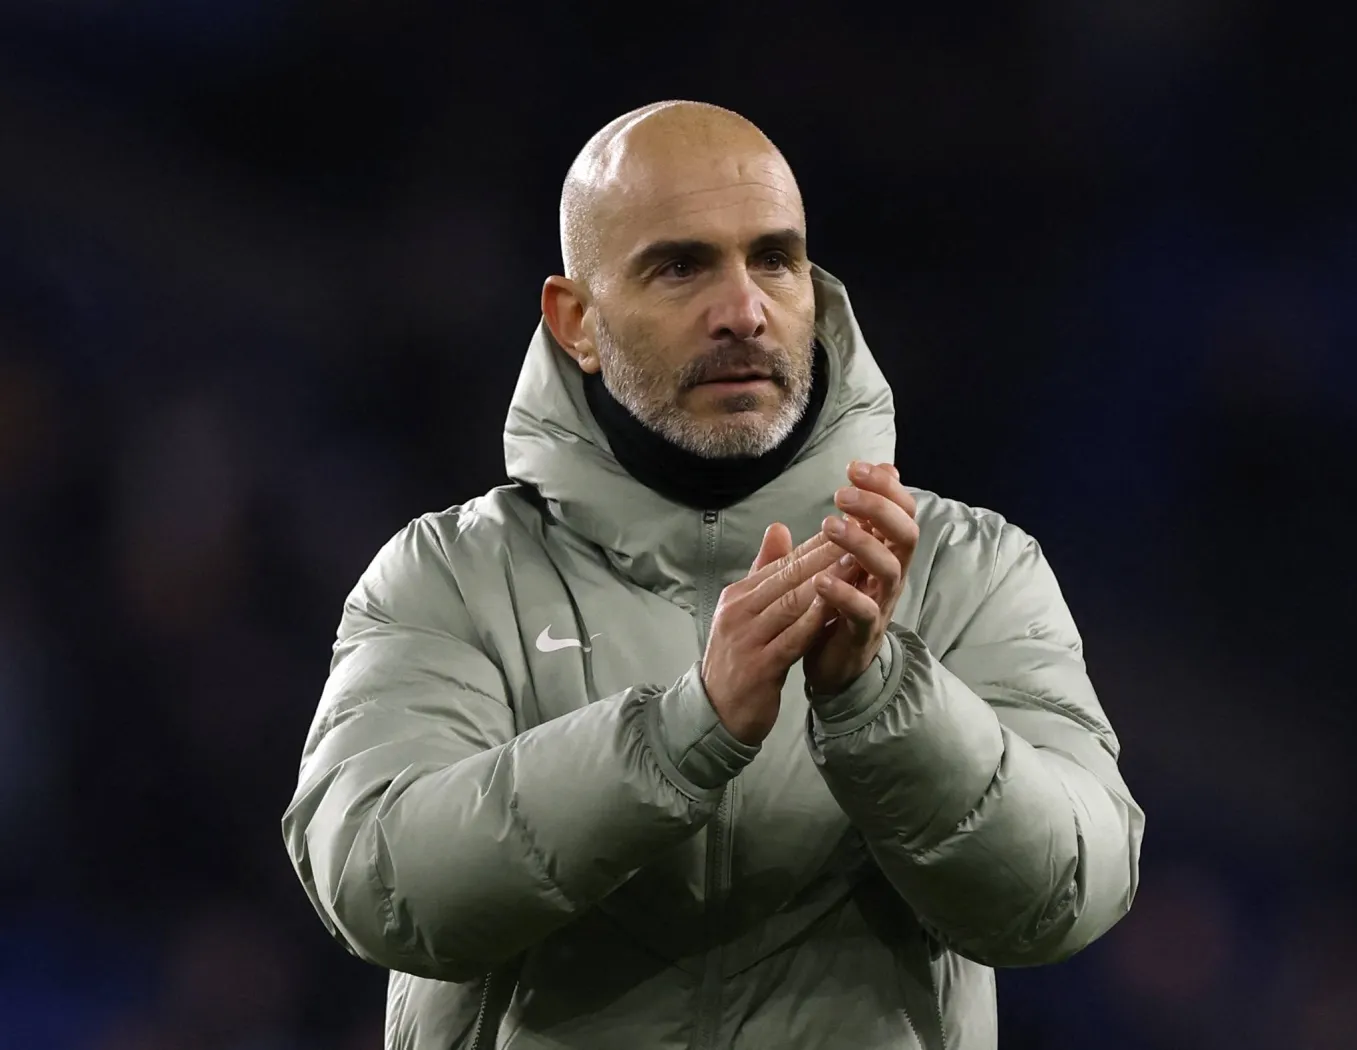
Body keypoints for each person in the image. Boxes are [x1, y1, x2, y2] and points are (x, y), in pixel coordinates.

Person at [283, 100, 1144, 1050]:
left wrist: (881, 697)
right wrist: (681, 733)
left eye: (774, 259)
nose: (743, 311)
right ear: (576, 321)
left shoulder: (970, 571)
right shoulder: (450, 578)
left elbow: (1068, 893)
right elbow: (380, 883)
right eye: (680, 266)